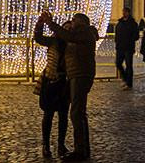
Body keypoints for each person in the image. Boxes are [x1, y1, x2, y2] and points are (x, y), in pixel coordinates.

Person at [45, 12, 99, 162]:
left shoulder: (84, 33)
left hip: (80, 74)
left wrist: (51, 24)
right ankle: (83, 148)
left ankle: (80, 150)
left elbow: (69, 37)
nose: (72, 22)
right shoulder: (80, 34)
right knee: (79, 112)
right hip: (77, 74)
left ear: (81, 22)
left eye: (74, 20)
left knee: (76, 113)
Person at [34, 13, 71, 159]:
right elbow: (38, 38)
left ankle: (61, 145)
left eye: (69, 29)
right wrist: (40, 24)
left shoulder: (72, 44)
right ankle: (46, 144)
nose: (66, 30)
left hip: (65, 84)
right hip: (50, 81)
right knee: (48, 115)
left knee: (63, 116)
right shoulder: (53, 41)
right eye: (65, 28)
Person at [114, 7, 139, 91]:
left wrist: (129, 40)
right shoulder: (120, 23)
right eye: (123, 12)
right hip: (120, 47)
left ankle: (129, 83)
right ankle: (125, 78)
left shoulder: (133, 23)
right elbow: (117, 34)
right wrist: (117, 42)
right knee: (118, 63)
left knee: (129, 66)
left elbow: (136, 36)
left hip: (128, 47)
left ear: (128, 13)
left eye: (125, 12)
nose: (123, 13)